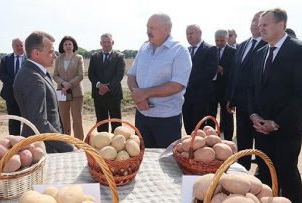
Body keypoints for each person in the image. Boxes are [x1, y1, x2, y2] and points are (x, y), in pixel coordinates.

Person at [249, 8, 302, 203]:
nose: (261, 28)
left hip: (286, 128)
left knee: (287, 175)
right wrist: (253, 116)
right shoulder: (260, 53)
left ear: (281, 25)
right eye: (260, 25)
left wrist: (275, 122)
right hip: (261, 128)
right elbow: (252, 89)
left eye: (265, 24)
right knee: (265, 174)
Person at [127, 13, 191, 148]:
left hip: (166, 119)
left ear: (166, 29)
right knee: (142, 157)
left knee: (165, 162)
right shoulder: (143, 48)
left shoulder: (180, 51)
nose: (148, 31)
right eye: (147, 27)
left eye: (152, 28)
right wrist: (139, 97)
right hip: (142, 114)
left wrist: (146, 93)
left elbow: (177, 85)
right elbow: (131, 76)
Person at [13, 31, 73, 153]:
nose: (55, 56)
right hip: (45, 148)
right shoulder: (33, 77)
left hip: (49, 143)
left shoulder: (37, 72)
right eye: (51, 52)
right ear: (36, 53)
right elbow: (39, 122)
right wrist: (68, 146)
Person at [226, 11, 267, 170]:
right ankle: (242, 171)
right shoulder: (242, 45)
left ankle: (263, 176)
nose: (254, 24)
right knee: (243, 141)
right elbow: (234, 73)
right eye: (253, 20)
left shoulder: (269, 46)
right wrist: (230, 97)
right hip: (241, 104)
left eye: (259, 21)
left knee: (262, 145)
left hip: (260, 106)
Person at [183, 24, 218, 134]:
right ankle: (189, 147)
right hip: (186, 96)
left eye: (191, 33)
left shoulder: (210, 49)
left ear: (199, 33)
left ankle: (199, 149)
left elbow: (210, 73)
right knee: (188, 124)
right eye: (187, 34)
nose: (189, 36)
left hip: (201, 97)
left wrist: (188, 83)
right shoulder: (186, 51)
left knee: (198, 127)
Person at [88, 33, 126, 132]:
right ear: (100, 43)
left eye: (108, 42)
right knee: (101, 122)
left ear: (112, 42)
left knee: (116, 122)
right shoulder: (94, 56)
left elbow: (119, 75)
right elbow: (91, 74)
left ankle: (117, 145)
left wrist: (106, 88)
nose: (106, 44)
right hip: (98, 94)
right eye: (104, 42)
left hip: (114, 94)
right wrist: (99, 86)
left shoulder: (119, 57)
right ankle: (102, 144)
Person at [53, 36, 84, 140]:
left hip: (76, 93)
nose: (68, 46)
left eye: (70, 44)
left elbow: (81, 75)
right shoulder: (58, 59)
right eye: (65, 44)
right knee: (63, 118)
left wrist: (68, 84)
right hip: (62, 92)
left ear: (74, 45)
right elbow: (55, 75)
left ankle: (79, 143)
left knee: (77, 118)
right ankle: (66, 142)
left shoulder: (79, 58)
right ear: (62, 46)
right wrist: (63, 83)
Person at [209, 29, 235, 140]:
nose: (219, 43)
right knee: (210, 116)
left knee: (227, 117)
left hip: (226, 91)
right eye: (217, 40)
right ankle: (210, 140)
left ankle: (228, 142)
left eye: (222, 40)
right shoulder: (211, 50)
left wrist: (223, 70)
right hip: (212, 90)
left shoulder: (233, 52)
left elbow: (236, 72)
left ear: (227, 39)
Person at [0, 38, 25, 135]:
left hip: (26, 95)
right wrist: (15, 83)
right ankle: (15, 143)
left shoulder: (29, 59)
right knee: (13, 120)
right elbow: (2, 75)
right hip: (10, 94)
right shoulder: (5, 59)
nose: (19, 47)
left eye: (21, 45)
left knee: (27, 120)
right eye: (16, 46)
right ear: (12, 47)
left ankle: (27, 142)